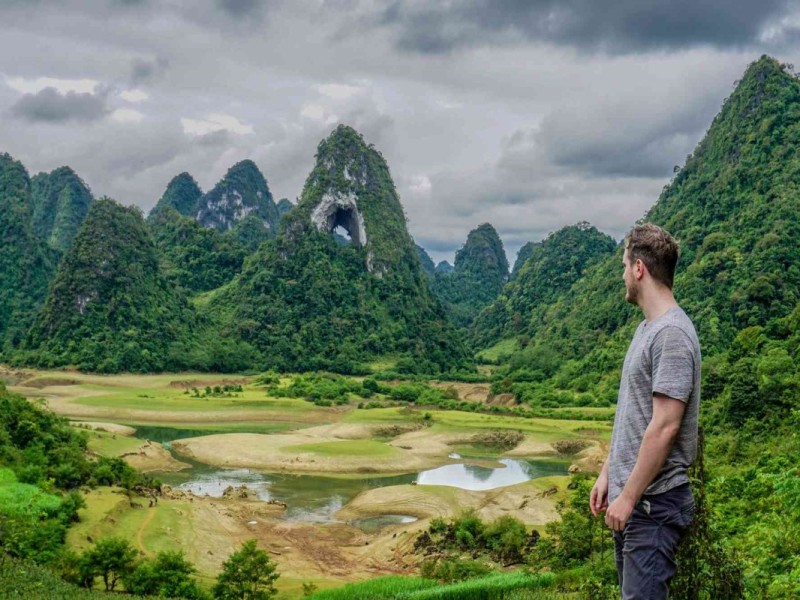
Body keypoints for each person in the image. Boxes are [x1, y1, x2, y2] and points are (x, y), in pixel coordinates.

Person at [590, 223, 700, 599]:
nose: (622, 275)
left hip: (654, 505)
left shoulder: (671, 334)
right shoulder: (646, 330)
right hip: (638, 504)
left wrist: (629, 496)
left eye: (624, 266)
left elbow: (665, 427)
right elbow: (633, 415)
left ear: (639, 269)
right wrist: (608, 474)